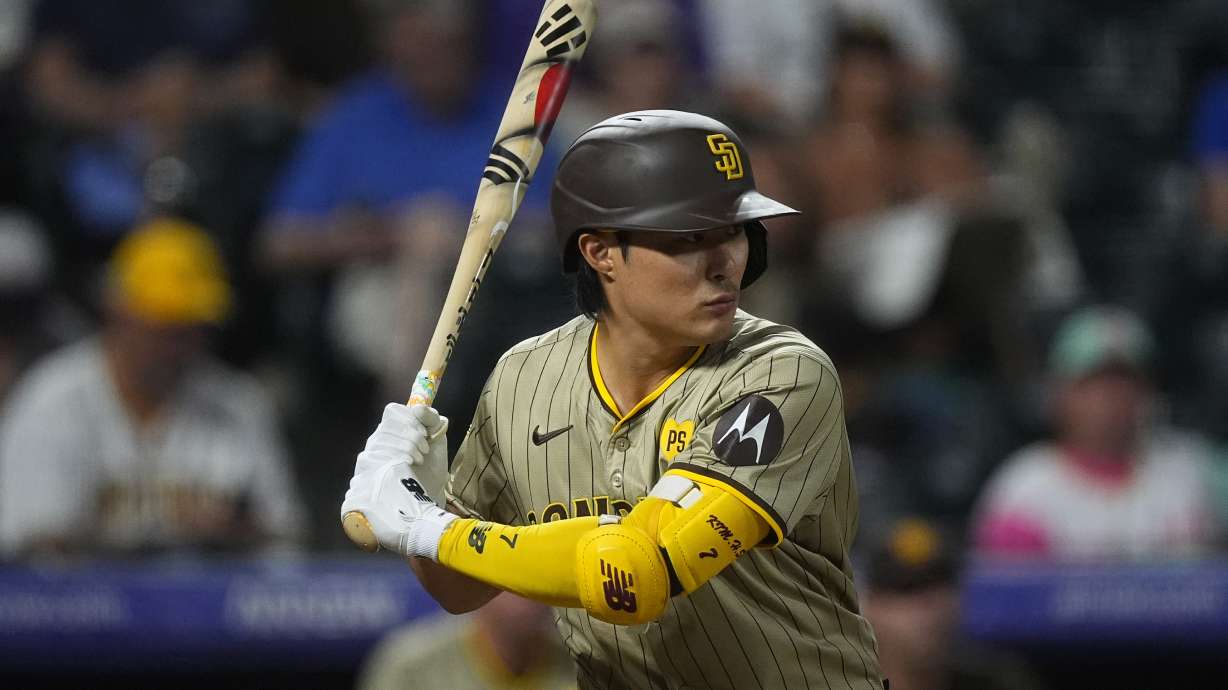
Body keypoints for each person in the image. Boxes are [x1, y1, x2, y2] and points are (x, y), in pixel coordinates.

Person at [342, 110, 884, 689]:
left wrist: (431, 530)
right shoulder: (523, 378)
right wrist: (422, 505)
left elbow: (635, 570)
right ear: (601, 253)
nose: (726, 263)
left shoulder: (783, 372)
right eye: (688, 239)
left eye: (733, 232)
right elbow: (460, 590)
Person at [0, 217, 303, 557]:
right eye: (165, 327)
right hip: (82, 609)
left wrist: (232, 535)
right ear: (119, 313)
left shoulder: (239, 405)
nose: (179, 346)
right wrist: (149, 543)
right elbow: (27, 557)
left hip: (206, 607)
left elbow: (284, 547)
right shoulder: (52, 403)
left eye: (192, 329)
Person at [971, 306, 1224, 561]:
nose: (1111, 398)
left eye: (1125, 383)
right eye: (1094, 384)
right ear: (1060, 393)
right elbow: (1008, 596)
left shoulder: (1190, 476)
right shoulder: (1024, 490)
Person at [861, 517, 1043, 690]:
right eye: (907, 590)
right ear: (871, 606)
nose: (928, 605)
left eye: (937, 587)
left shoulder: (999, 681)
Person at [357, 592, 576, 690]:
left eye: (541, 578)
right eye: (516, 579)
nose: (531, 593)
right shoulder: (409, 666)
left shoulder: (589, 666)